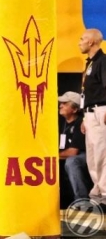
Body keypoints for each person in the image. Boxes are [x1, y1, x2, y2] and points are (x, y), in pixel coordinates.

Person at [79, 28, 106, 206]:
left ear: (91, 42)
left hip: (100, 112)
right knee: (92, 156)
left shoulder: (103, 61)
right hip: (90, 113)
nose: (79, 42)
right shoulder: (90, 63)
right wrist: (83, 116)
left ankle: (105, 193)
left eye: (82, 39)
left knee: (102, 154)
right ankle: (97, 192)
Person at [58, 91, 91, 207]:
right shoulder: (61, 123)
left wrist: (52, 156)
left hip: (87, 155)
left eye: (65, 103)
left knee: (72, 161)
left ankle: (82, 201)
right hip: (66, 155)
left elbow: (73, 152)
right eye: (61, 103)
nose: (60, 105)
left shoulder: (81, 122)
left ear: (75, 109)